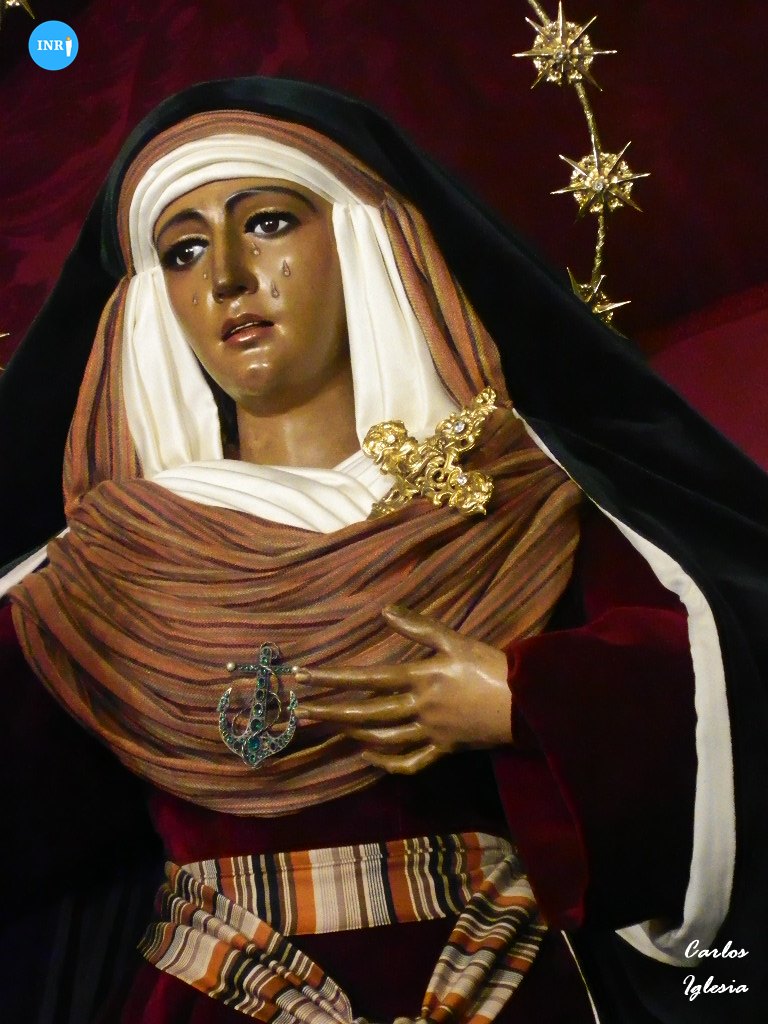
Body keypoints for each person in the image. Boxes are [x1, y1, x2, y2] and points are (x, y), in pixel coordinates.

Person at [1, 77, 767, 1024]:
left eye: (268, 223)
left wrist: (529, 700)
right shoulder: (102, 571)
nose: (227, 277)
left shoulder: (523, 490)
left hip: (505, 981)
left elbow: (733, 675)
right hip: (216, 991)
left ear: (367, 240)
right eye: (184, 250)